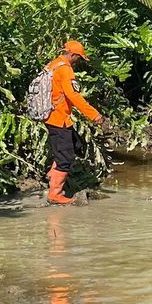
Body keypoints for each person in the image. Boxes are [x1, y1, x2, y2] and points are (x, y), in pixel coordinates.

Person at [45, 40, 105, 205]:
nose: (78, 62)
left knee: (76, 144)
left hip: (52, 115)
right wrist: (94, 115)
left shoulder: (54, 64)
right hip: (58, 119)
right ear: (72, 55)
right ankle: (54, 194)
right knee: (65, 158)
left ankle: (52, 175)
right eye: (78, 58)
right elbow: (73, 96)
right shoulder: (65, 70)